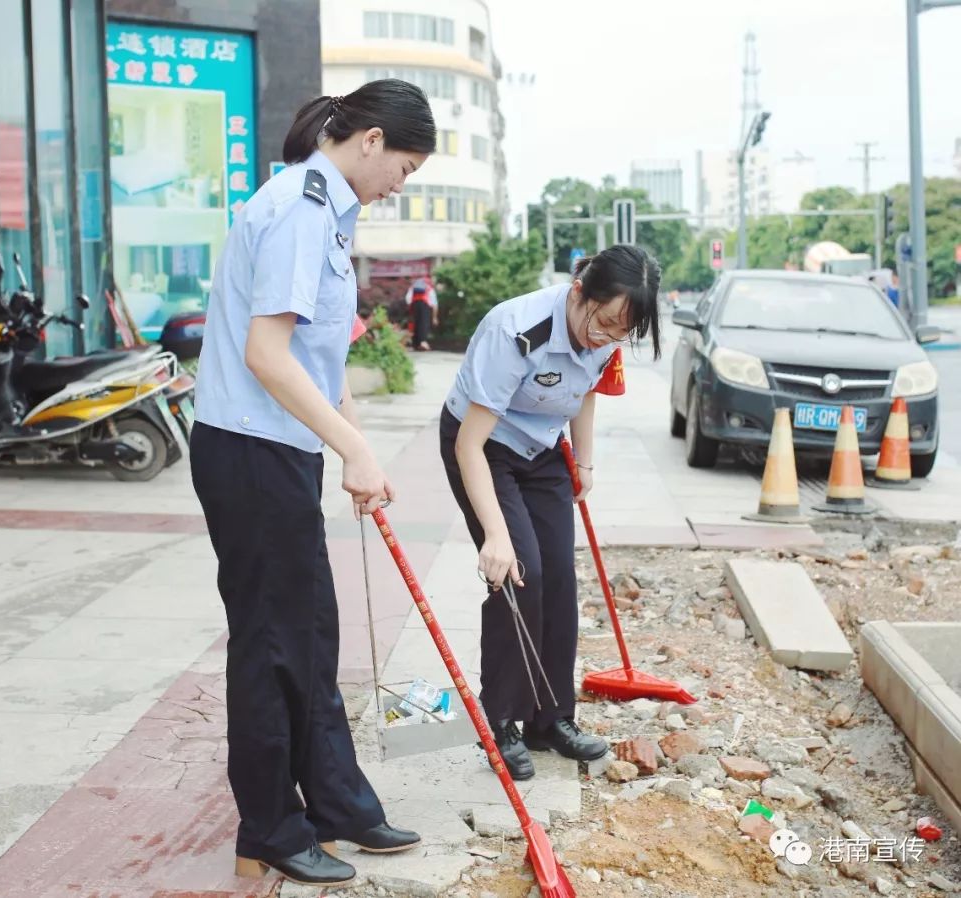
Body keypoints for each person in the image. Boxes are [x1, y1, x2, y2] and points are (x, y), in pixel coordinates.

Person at [190, 79, 436, 886]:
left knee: (310, 634)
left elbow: (321, 361)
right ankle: (269, 825)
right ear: (369, 141)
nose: (403, 183)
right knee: (269, 646)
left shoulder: (333, 213)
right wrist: (352, 454)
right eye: (403, 165)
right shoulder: (297, 209)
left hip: (283, 449)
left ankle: (337, 801)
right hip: (249, 450)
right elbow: (267, 356)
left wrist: (352, 446)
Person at [439, 246, 662, 781]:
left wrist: (584, 462)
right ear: (581, 290)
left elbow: (586, 392)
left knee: (560, 579)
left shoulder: (607, 333)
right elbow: (469, 445)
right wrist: (495, 536)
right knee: (521, 574)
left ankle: (551, 719)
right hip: (484, 446)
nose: (605, 338)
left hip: (543, 450)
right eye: (603, 323)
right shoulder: (517, 330)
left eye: (619, 333)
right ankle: (504, 722)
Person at [406, 275, 438, 350]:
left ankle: (415, 344)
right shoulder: (429, 288)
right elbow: (435, 304)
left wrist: (410, 311)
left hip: (414, 305)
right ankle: (423, 342)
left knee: (415, 324)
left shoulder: (413, 288)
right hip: (425, 306)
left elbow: (408, 299)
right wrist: (434, 317)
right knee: (424, 324)